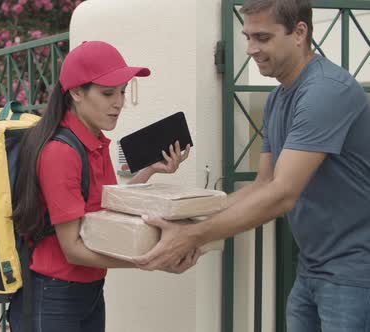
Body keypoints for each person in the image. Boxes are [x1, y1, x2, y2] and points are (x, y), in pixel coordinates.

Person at [134, 0, 370, 330]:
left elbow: (282, 194)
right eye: (247, 36)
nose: (249, 49)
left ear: (299, 32)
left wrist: (193, 236)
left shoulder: (325, 92)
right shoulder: (278, 98)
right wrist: (196, 224)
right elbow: (264, 184)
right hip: (313, 268)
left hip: (353, 274)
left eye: (262, 37)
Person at [8, 40, 193, 332]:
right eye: (108, 93)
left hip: (90, 291)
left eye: (122, 92)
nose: (118, 102)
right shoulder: (61, 152)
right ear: (77, 93)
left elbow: (106, 207)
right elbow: (73, 249)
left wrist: (150, 170)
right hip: (54, 295)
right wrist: (152, 260)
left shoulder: (94, 142)